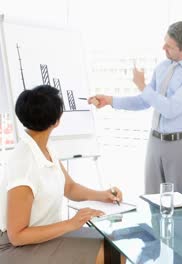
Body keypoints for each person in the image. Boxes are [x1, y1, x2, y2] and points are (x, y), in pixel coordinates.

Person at [0, 85, 124, 263]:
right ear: (56, 121)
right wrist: (71, 224)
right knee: (113, 255)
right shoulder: (24, 165)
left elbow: (69, 187)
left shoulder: (45, 146)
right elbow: (17, 236)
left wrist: (103, 195)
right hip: (16, 248)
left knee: (115, 242)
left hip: (48, 235)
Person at [89, 21, 182, 194]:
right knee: (152, 200)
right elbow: (145, 101)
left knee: (180, 205)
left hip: (180, 145)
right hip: (155, 142)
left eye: (169, 46)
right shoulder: (162, 67)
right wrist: (110, 100)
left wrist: (142, 86)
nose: (163, 48)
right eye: (164, 41)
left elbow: (170, 109)